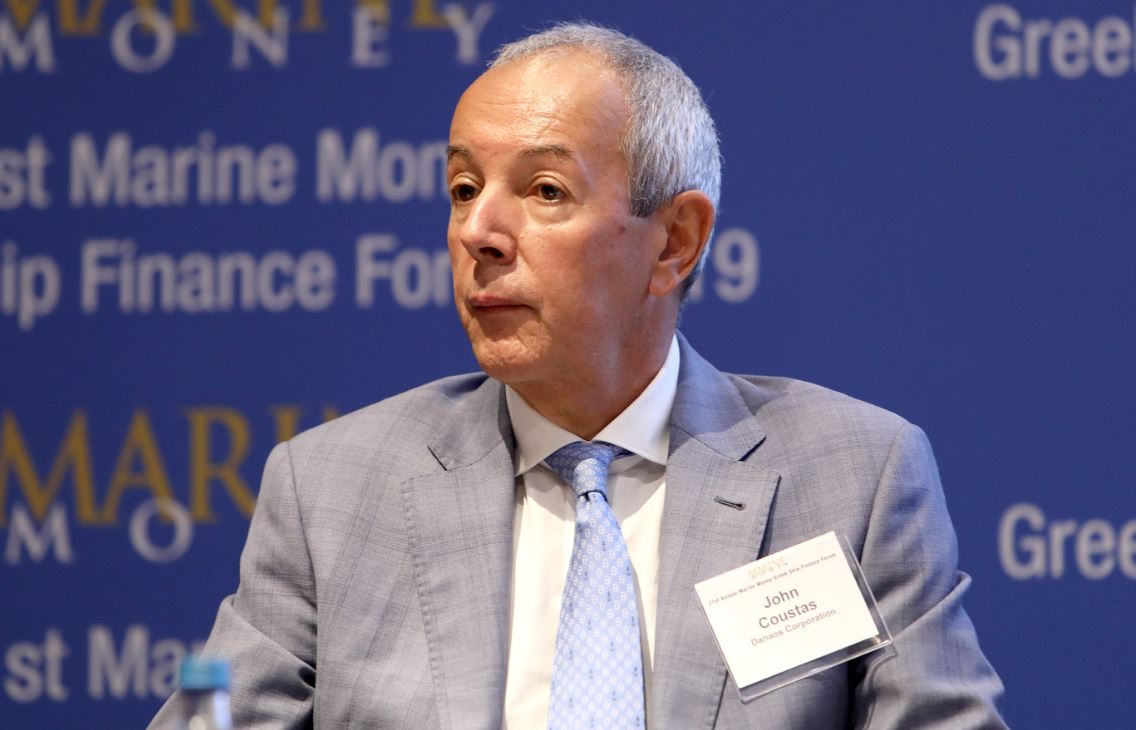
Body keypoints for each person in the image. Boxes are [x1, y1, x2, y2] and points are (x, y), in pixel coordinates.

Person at [151, 22, 1005, 729]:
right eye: (463, 187)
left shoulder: (852, 478)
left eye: (545, 190)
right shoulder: (331, 491)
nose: (478, 231)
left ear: (674, 242)